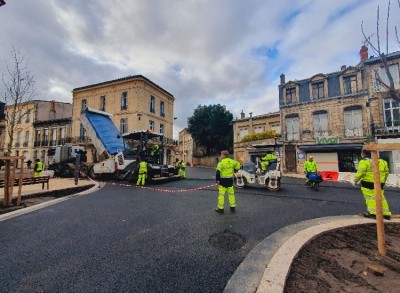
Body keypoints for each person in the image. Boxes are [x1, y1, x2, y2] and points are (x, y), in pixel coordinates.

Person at [353, 149, 391, 220]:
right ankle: (386, 214)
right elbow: (386, 173)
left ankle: (373, 213)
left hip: (368, 183)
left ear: (363, 154)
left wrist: (355, 180)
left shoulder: (364, 162)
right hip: (380, 183)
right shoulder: (383, 162)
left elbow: (360, 173)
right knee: (381, 198)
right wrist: (383, 181)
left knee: (370, 198)